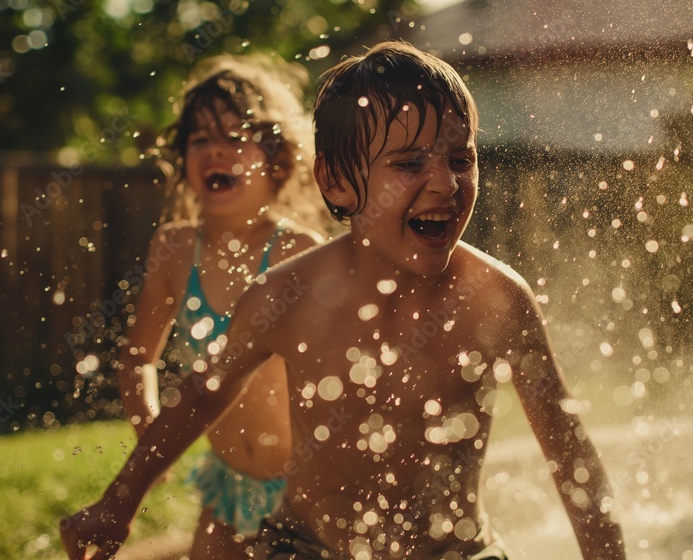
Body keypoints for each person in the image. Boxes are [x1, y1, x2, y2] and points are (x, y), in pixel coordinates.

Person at [61, 41, 625, 560]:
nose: (446, 185)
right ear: (335, 182)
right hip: (303, 548)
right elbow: (203, 395)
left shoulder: (495, 300)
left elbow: (571, 457)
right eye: (408, 164)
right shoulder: (288, 295)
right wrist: (119, 501)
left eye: (461, 159)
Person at [110, 54, 325, 559]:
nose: (215, 152)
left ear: (276, 159)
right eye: (200, 139)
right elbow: (137, 359)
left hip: (306, 491)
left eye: (235, 137)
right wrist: (151, 443)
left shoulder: (298, 251)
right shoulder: (174, 250)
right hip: (228, 488)